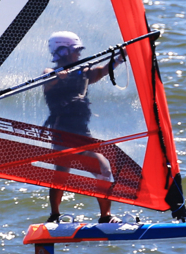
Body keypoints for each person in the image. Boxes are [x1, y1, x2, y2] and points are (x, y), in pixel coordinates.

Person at [42, 31, 126, 224]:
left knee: (71, 171)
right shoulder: (49, 73)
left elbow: (103, 70)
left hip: (81, 131)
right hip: (62, 131)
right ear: (62, 51)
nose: (79, 55)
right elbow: (48, 81)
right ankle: (99, 217)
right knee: (91, 168)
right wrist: (58, 75)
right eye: (75, 51)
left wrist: (120, 58)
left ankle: (99, 217)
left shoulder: (83, 72)